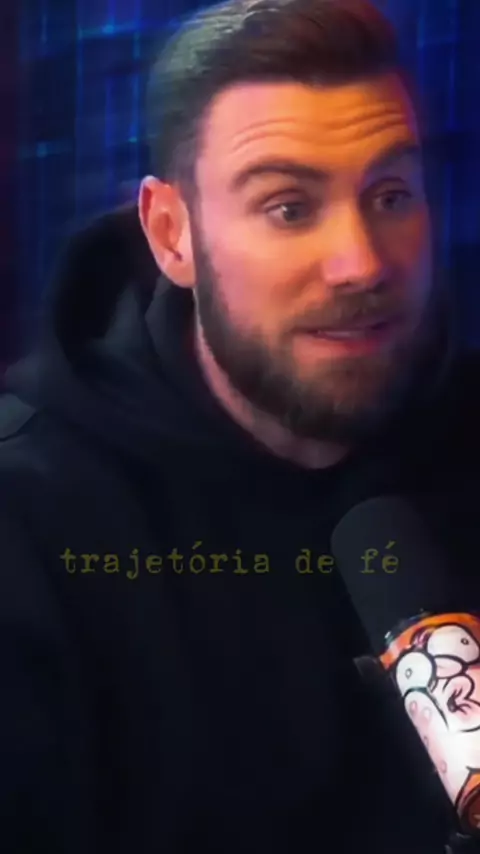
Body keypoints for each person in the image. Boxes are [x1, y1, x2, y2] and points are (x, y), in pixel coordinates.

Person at [1, 0, 479, 851]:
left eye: (391, 195)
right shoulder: (29, 520)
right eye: (289, 207)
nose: (362, 262)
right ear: (171, 235)